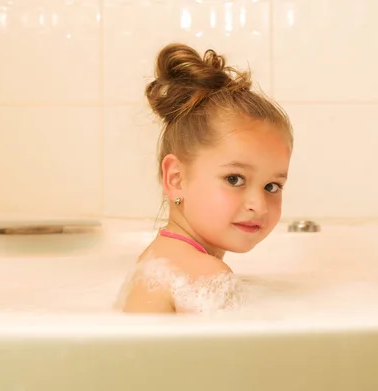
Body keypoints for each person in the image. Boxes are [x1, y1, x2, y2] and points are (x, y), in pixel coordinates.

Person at [114, 43, 294, 314]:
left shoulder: (158, 260)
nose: (259, 204)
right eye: (234, 179)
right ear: (176, 179)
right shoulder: (205, 275)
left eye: (272, 186)